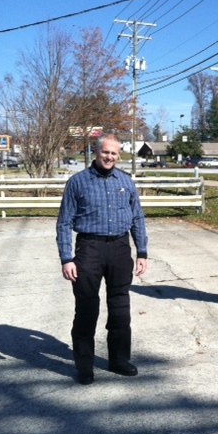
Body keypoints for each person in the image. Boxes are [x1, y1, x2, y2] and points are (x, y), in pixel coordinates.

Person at [56, 133, 148, 385]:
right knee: (87, 308)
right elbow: (64, 222)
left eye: (114, 153)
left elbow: (137, 218)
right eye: (105, 152)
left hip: (120, 249)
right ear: (96, 152)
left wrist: (142, 252)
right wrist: (66, 258)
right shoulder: (77, 182)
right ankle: (85, 366)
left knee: (120, 308)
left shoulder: (126, 182)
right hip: (89, 248)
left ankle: (119, 360)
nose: (109, 157)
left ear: (119, 155)